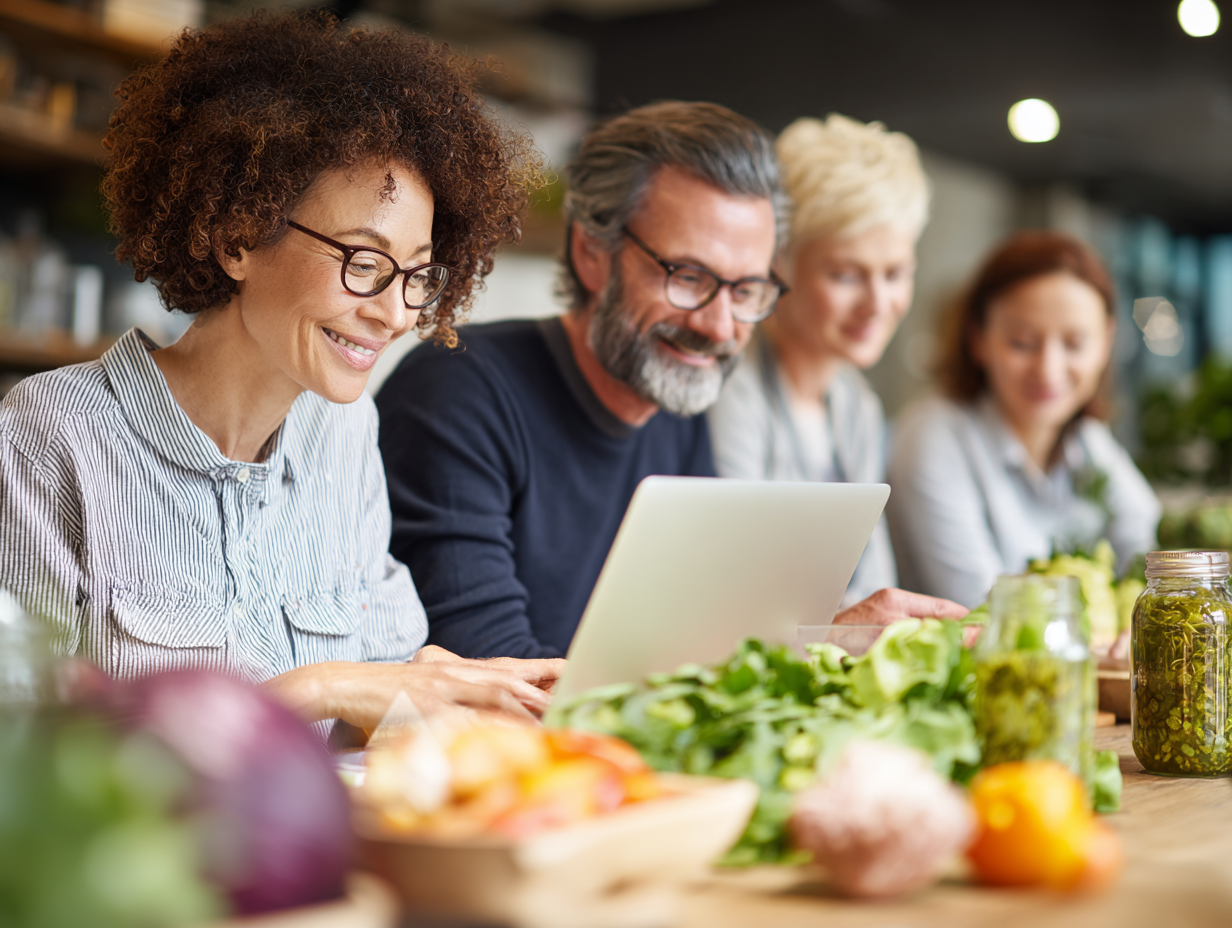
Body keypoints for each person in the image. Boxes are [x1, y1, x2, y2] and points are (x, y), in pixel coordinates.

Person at [0, 12, 562, 729]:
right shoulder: (50, 438)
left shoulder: (348, 430)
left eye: (417, 277)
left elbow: (383, 698)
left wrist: (446, 690)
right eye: (363, 263)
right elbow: (26, 774)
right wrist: (313, 690)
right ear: (238, 237)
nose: (394, 314)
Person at [377, 101, 966, 660]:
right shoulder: (458, 394)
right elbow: (497, 685)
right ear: (591, 253)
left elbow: (694, 657)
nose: (718, 326)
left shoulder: (681, 413)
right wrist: (818, 645)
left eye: (745, 291)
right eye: (687, 276)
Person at [708, 114, 929, 604]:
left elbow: (875, 586)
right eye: (847, 275)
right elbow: (738, 598)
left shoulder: (855, 404)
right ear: (778, 264)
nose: (877, 303)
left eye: (895, 273)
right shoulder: (729, 390)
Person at [887, 231, 1161, 608]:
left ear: (1105, 344)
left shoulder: (1088, 440)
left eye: (1075, 343)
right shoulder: (932, 435)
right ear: (978, 338)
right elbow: (983, 610)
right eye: (1022, 342)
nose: (1048, 369)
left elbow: (1153, 558)